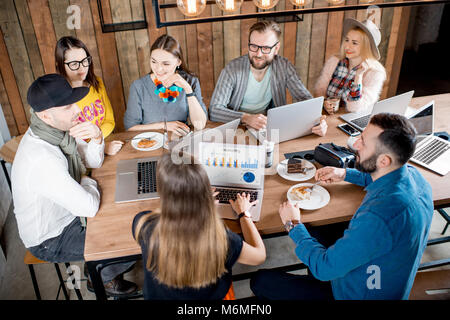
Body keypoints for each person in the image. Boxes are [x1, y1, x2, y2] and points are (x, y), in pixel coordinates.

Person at [250, 113, 434, 300]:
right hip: (382, 274)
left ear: (384, 161)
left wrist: (292, 224)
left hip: (354, 293)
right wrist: (344, 174)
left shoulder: (379, 218)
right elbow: (376, 175)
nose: (355, 145)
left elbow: (324, 268)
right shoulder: (414, 177)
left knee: (260, 281)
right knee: (318, 230)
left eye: (363, 142)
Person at [11, 74, 137, 297]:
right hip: (51, 237)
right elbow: (88, 207)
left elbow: (92, 161)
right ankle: (99, 277)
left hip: (69, 212)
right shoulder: (41, 156)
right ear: (46, 115)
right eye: (68, 106)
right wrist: (87, 181)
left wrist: (97, 137)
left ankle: (101, 269)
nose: (78, 110)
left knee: (127, 211)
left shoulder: (56, 132)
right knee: (133, 235)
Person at [132, 153, 266, 300]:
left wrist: (194, 205)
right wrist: (244, 214)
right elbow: (259, 257)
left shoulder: (143, 223)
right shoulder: (221, 238)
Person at [209, 20, 327, 136]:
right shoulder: (232, 69)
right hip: (235, 128)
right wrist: (246, 118)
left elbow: (306, 100)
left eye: (265, 48)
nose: (258, 54)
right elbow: (214, 110)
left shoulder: (284, 66)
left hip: (267, 128)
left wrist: (319, 122)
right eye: (254, 46)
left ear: (276, 48)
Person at [124, 35, 208, 136]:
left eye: (166, 64)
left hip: (179, 140)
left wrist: (188, 89)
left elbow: (200, 125)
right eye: (154, 61)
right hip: (150, 142)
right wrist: (164, 125)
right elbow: (130, 127)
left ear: (178, 62)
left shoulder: (191, 81)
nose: (159, 69)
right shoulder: (138, 86)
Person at [55, 36, 123, 156]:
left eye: (85, 60)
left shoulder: (97, 83)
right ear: (60, 65)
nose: (82, 67)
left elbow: (109, 121)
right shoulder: (59, 98)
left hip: (108, 145)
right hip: (85, 159)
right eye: (74, 64)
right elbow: (68, 144)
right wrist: (100, 147)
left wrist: (99, 140)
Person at [314, 17, 386, 114]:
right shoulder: (334, 61)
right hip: (328, 116)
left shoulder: (375, 73)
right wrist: (324, 102)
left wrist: (358, 77)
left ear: (366, 47)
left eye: (354, 43)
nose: (347, 46)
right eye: (347, 40)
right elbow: (319, 91)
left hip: (352, 119)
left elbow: (354, 108)